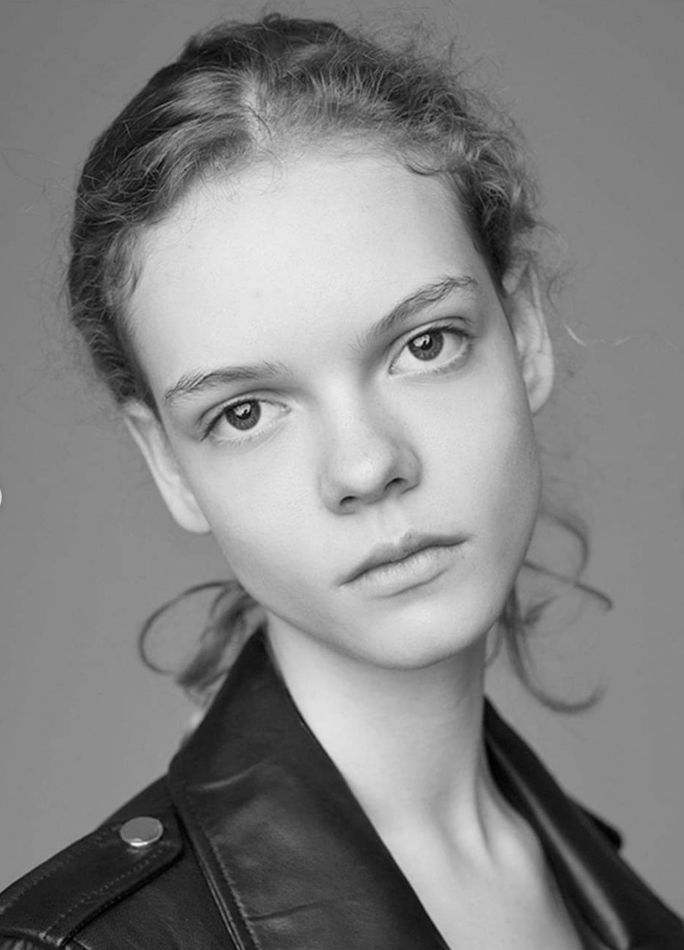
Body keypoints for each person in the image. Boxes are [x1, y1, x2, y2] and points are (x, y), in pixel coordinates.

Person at [0, 13, 680, 950]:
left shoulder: (599, 891)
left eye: (425, 344)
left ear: (523, 334)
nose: (366, 466)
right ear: (168, 463)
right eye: (246, 412)